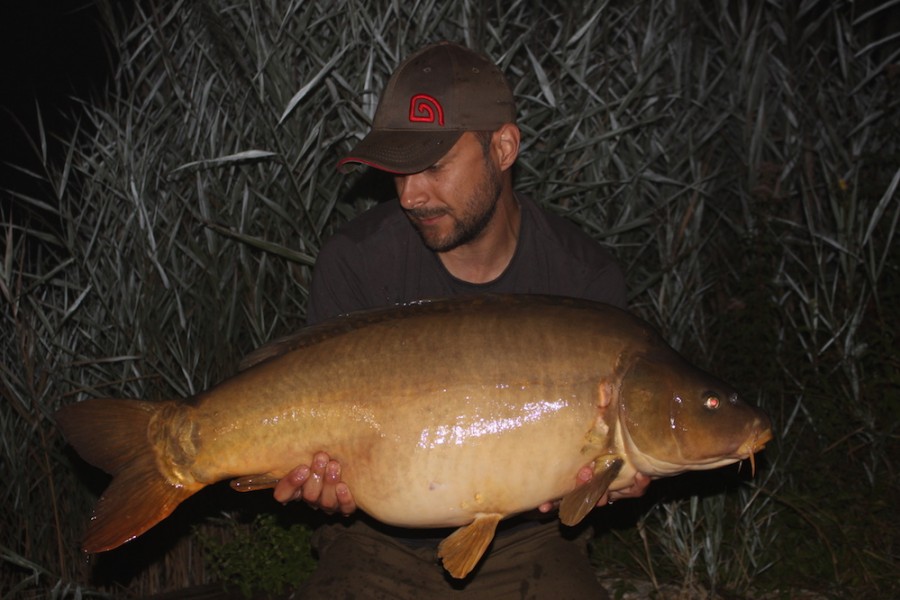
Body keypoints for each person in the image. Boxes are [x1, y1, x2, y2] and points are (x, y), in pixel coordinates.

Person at [275, 41, 650, 599]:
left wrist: (617, 479)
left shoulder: (583, 280)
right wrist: (322, 482)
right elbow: (318, 432)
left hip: (530, 542)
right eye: (397, 170)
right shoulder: (355, 261)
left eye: (433, 166)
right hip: (373, 541)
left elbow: (609, 456)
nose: (410, 194)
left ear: (502, 147)